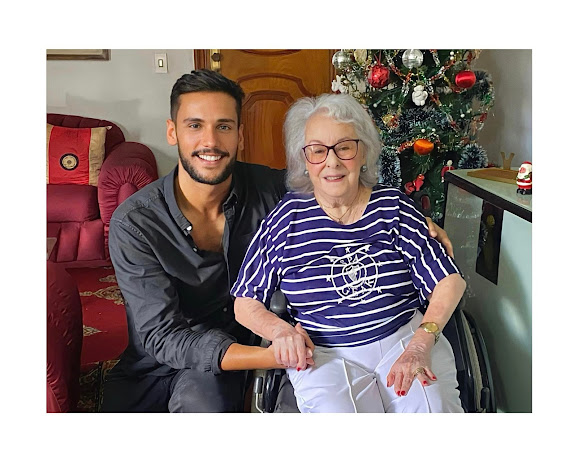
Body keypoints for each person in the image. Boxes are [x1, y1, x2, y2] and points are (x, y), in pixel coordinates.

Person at [101, 69, 454, 413]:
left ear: (240, 135)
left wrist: (420, 222)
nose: (210, 142)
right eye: (195, 125)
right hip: (170, 361)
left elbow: (334, 181)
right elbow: (162, 335)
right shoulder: (136, 223)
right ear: (172, 131)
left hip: (263, 344)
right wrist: (275, 352)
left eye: (223, 126)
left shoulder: (274, 189)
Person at [232, 93, 467, 413]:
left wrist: (422, 342)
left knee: (433, 411)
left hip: (403, 338)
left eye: (344, 147)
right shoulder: (286, 219)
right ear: (304, 160)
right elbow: (245, 301)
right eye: (318, 150)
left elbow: (449, 280)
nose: (331, 162)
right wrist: (280, 331)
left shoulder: (393, 207)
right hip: (324, 354)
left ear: (364, 151)